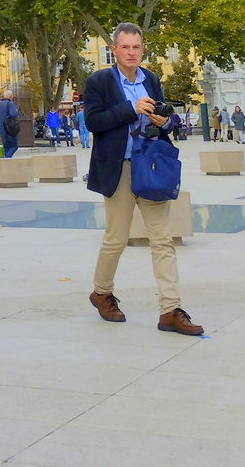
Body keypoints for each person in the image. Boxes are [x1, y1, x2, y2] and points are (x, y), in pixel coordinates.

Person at [84, 22, 202, 336]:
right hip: (118, 168)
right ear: (114, 50)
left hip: (149, 165)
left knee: (162, 239)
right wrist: (130, 108)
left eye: (136, 47)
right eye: (125, 47)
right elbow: (94, 121)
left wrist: (165, 121)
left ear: (142, 49)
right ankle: (102, 292)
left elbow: (167, 121)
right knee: (117, 238)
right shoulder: (99, 81)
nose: (131, 52)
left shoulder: (150, 79)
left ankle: (170, 310)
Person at [0, 89, 20, 158]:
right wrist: (16, 111)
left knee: (6, 147)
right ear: (10, 97)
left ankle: (6, 163)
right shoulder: (10, 104)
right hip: (9, 129)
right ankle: (7, 158)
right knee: (14, 146)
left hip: (1, 130)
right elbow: (14, 114)